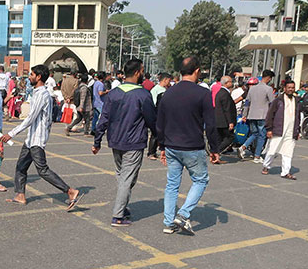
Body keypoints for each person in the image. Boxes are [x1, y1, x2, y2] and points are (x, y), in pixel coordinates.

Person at [2, 64, 84, 209]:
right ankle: (20, 195)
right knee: (21, 167)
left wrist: (11, 133)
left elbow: (31, 118)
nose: (29, 77)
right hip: (30, 139)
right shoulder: (37, 92)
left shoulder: (42, 94)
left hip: (37, 140)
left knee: (42, 170)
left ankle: (70, 191)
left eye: (32, 74)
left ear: (39, 77)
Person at [156, 56, 221, 235]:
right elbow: (211, 124)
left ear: (180, 71)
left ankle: (168, 222)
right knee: (200, 180)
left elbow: (160, 123)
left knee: (172, 184)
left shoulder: (167, 93)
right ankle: (183, 214)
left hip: (171, 145)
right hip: (193, 146)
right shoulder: (203, 93)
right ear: (197, 70)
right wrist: (214, 149)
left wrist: (161, 146)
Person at [92, 58, 155, 227]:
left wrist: (97, 141)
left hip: (116, 141)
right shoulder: (143, 95)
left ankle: (123, 206)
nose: (143, 74)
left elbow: (103, 119)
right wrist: (160, 140)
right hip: (133, 142)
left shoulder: (113, 94)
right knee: (127, 178)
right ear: (136, 73)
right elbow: (152, 120)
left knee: (123, 176)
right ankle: (118, 215)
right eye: (142, 70)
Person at [262, 80, 302, 180]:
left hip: (291, 131)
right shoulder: (278, 100)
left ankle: (285, 172)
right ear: (285, 89)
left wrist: (298, 130)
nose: (291, 89)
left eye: (292, 88)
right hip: (278, 129)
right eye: (289, 87)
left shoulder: (296, 101)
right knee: (272, 150)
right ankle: (266, 166)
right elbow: (270, 115)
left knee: (288, 152)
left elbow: (298, 117)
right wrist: (269, 129)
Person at [239, 70, 274, 163]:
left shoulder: (252, 89)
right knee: (262, 136)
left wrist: (244, 115)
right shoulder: (268, 89)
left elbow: (247, 103)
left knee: (254, 134)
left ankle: (243, 147)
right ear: (269, 78)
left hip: (251, 115)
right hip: (263, 116)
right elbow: (272, 104)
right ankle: (257, 156)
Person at [147, 73, 171, 159]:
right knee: (155, 134)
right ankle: (151, 152)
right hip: (157, 114)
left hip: (165, 115)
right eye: (169, 80)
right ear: (165, 80)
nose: (169, 82)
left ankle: (162, 150)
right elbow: (153, 103)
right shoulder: (156, 90)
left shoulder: (166, 90)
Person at [214, 76, 237, 155]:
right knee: (230, 137)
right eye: (231, 81)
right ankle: (217, 151)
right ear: (226, 83)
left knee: (219, 138)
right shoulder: (224, 94)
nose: (232, 83)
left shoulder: (220, 92)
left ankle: (216, 154)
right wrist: (230, 122)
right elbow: (227, 109)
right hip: (224, 121)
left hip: (219, 120)